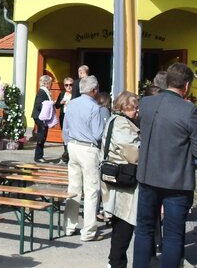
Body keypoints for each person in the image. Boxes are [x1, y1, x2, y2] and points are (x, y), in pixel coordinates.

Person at [134, 63, 197, 267]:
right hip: (176, 180)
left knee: (143, 229)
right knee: (173, 235)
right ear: (186, 86)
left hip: (148, 175)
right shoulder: (189, 110)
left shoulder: (146, 103)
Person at [62, 75, 108, 242]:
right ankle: (88, 231)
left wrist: (68, 144)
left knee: (73, 188)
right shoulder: (95, 108)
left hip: (73, 146)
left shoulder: (71, 104)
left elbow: (65, 129)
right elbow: (97, 134)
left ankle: (69, 226)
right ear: (94, 91)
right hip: (88, 149)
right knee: (91, 190)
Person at [102, 91, 140, 268]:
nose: (137, 111)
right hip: (124, 177)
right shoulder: (122, 124)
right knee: (125, 220)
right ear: (124, 107)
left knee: (118, 220)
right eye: (134, 108)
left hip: (113, 175)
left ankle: (116, 261)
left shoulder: (112, 120)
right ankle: (116, 262)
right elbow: (134, 153)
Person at [31, 75, 54, 163]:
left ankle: (40, 155)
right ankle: (38, 156)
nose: (51, 85)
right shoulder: (42, 92)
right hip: (40, 117)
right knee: (42, 136)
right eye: (50, 83)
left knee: (43, 135)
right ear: (46, 83)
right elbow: (38, 104)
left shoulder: (45, 92)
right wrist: (48, 106)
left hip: (41, 117)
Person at [54, 76, 76, 163]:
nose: (68, 87)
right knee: (65, 136)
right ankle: (66, 153)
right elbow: (56, 106)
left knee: (71, 136)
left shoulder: (75, 95)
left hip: (72, 118)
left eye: (70, 85)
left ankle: (70, 155)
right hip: (63, 117)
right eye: (66, 85)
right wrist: (61, 103)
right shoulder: (62, 94)